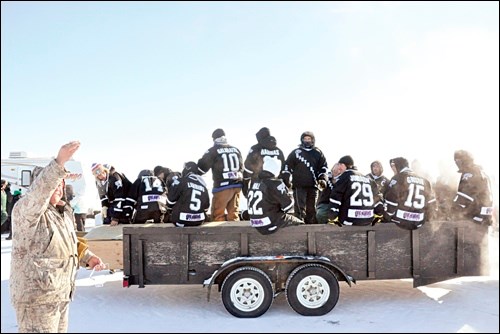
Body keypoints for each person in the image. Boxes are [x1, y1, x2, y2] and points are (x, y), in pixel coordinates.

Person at [10, 141, 105, 333]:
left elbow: (70, 242)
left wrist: (88, 258)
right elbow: (39, 193)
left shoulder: (61, 212)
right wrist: (59, 162)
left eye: (62, 184)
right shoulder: (27, 211)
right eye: (55, 184)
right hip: (36, 299)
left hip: (59, 295)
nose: (59, 188)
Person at [197, 128, 244, 221]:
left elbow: (201, 169)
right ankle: (234, 234)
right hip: (237, 185)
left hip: (222, 187)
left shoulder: (213, 151)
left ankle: (218, 235)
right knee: (233, 214)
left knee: (217, 215)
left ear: (214, 139)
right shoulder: (236, 150)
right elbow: (242, 167)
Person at [247, 156, 304, 235]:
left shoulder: (254, 182)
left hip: (255, 223)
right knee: (300, 223)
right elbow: (289, 206)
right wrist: (287, 192)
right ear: (276, 170)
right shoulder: (275, 183)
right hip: (269, 224)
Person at [283, 131, 328, 224]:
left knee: (312, 210)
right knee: (300, 209)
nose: (307, 141)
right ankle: (300, 230)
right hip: (299, 185)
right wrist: (286, 178)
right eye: (305, 139)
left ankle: (311, 230)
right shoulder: (296, 152)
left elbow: (323, 167)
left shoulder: (318, 152)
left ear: (313, 140)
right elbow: (287, 166)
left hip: (313, 185)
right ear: (302, 140)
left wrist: (323, 179)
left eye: (309, 139)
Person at [328, 155, 384, 226]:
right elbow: (378, 200)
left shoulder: (344, 177)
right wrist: (378, 215)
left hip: (349, 220)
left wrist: (332, 219)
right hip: (367, 220)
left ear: (342, 165)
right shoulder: (368, 179)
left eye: (339, 165)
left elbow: (335, 199)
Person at [384, 157, 437, 230]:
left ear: (398, 166)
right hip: (419, 222)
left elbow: (391, 201)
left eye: (393, 166)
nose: (393, 169)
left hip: (401, 221)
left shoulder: (398, 178)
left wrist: (386, 217)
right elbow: (432, 204)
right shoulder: (425, 181)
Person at [452, 150, 494, 225]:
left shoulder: (469, 173)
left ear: (464, 160)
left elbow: (463, 198)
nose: (456, 163)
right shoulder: (481, 172)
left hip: (475, 218)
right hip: (485, 217)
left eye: (457, 160)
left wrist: (450, 209)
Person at [242, 127, 286, 196]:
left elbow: (248, 167)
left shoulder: (255, 148)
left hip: (258, 183)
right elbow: (283, 167)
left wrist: (245, 183)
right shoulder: (278, 150)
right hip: (276, 184)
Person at [167, 161, 210, 227]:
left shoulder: (180, 181)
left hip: (181, 220)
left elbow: (170, 202)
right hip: (199, 221)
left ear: (187, 169)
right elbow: (206, 208)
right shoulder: (203, 186)